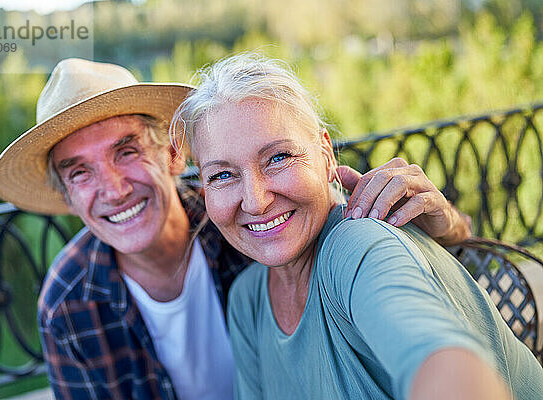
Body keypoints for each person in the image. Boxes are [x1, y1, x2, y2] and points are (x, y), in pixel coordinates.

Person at [0, 58, 471, 400]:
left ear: (173, 156)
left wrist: (444, 225)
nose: (113, 189)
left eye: (127, 151)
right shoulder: (69, 304)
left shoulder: (247, 222)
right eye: (80, 172)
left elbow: (417, 283)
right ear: (68, 198)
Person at [172, 53, 543, 400]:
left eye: (279, 157)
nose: (255, 200)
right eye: (223, 174)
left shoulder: (356, 243)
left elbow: (442, 360)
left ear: (325, 154)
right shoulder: (247, 301)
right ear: (203, 189)